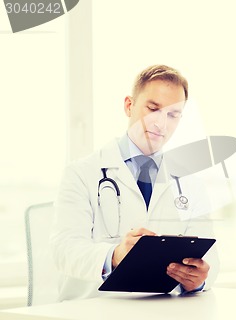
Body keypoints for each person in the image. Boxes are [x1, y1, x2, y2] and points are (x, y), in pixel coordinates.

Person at [50, 64, 219, 301]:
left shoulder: (190, 183)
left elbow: (211, 260)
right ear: (129, 106)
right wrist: (115, 255)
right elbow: (63, 250)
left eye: (173, 115)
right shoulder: (81, 173)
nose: (162, 123)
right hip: (94, 310)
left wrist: (197, 280)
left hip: (163, 311)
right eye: (153, 109)